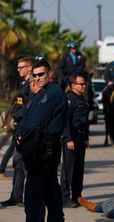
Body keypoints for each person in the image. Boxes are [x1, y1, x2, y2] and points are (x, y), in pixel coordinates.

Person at [16, 59, 67, 222]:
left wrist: (22, 134)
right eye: (35, 75)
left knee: (33, 197)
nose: (37, 78)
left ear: (49, 74)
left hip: (44, 151)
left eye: (41, 74)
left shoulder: (52, 94)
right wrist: (19, 133)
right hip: (37, 151)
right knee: (50, 191)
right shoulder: (41, 94)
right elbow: (27, 117)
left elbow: (36, 121)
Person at [0, 57, 33, 209]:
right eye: (18, 67)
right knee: (18, 164)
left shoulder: (32, 85)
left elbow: (30, 109)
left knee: (27, 165)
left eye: (21, 67)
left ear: (30, 68)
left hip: (26, 130)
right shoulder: (23, 83)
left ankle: (31, 197)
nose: (18, 69)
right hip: (19, 128)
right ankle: (16, 196)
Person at [60, 74, 90, 208]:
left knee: (79, 169)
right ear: (73, 86)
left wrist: (86, 138)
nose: (84, 86)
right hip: (71, 139)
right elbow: (65, 121)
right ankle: (65, 197)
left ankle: (77, 196)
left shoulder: (82, 99)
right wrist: (68, 138)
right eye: (81, 84)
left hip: (80, 138)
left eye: (84, 84)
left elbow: (85, 121)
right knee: (68, 169)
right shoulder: (69, 99)